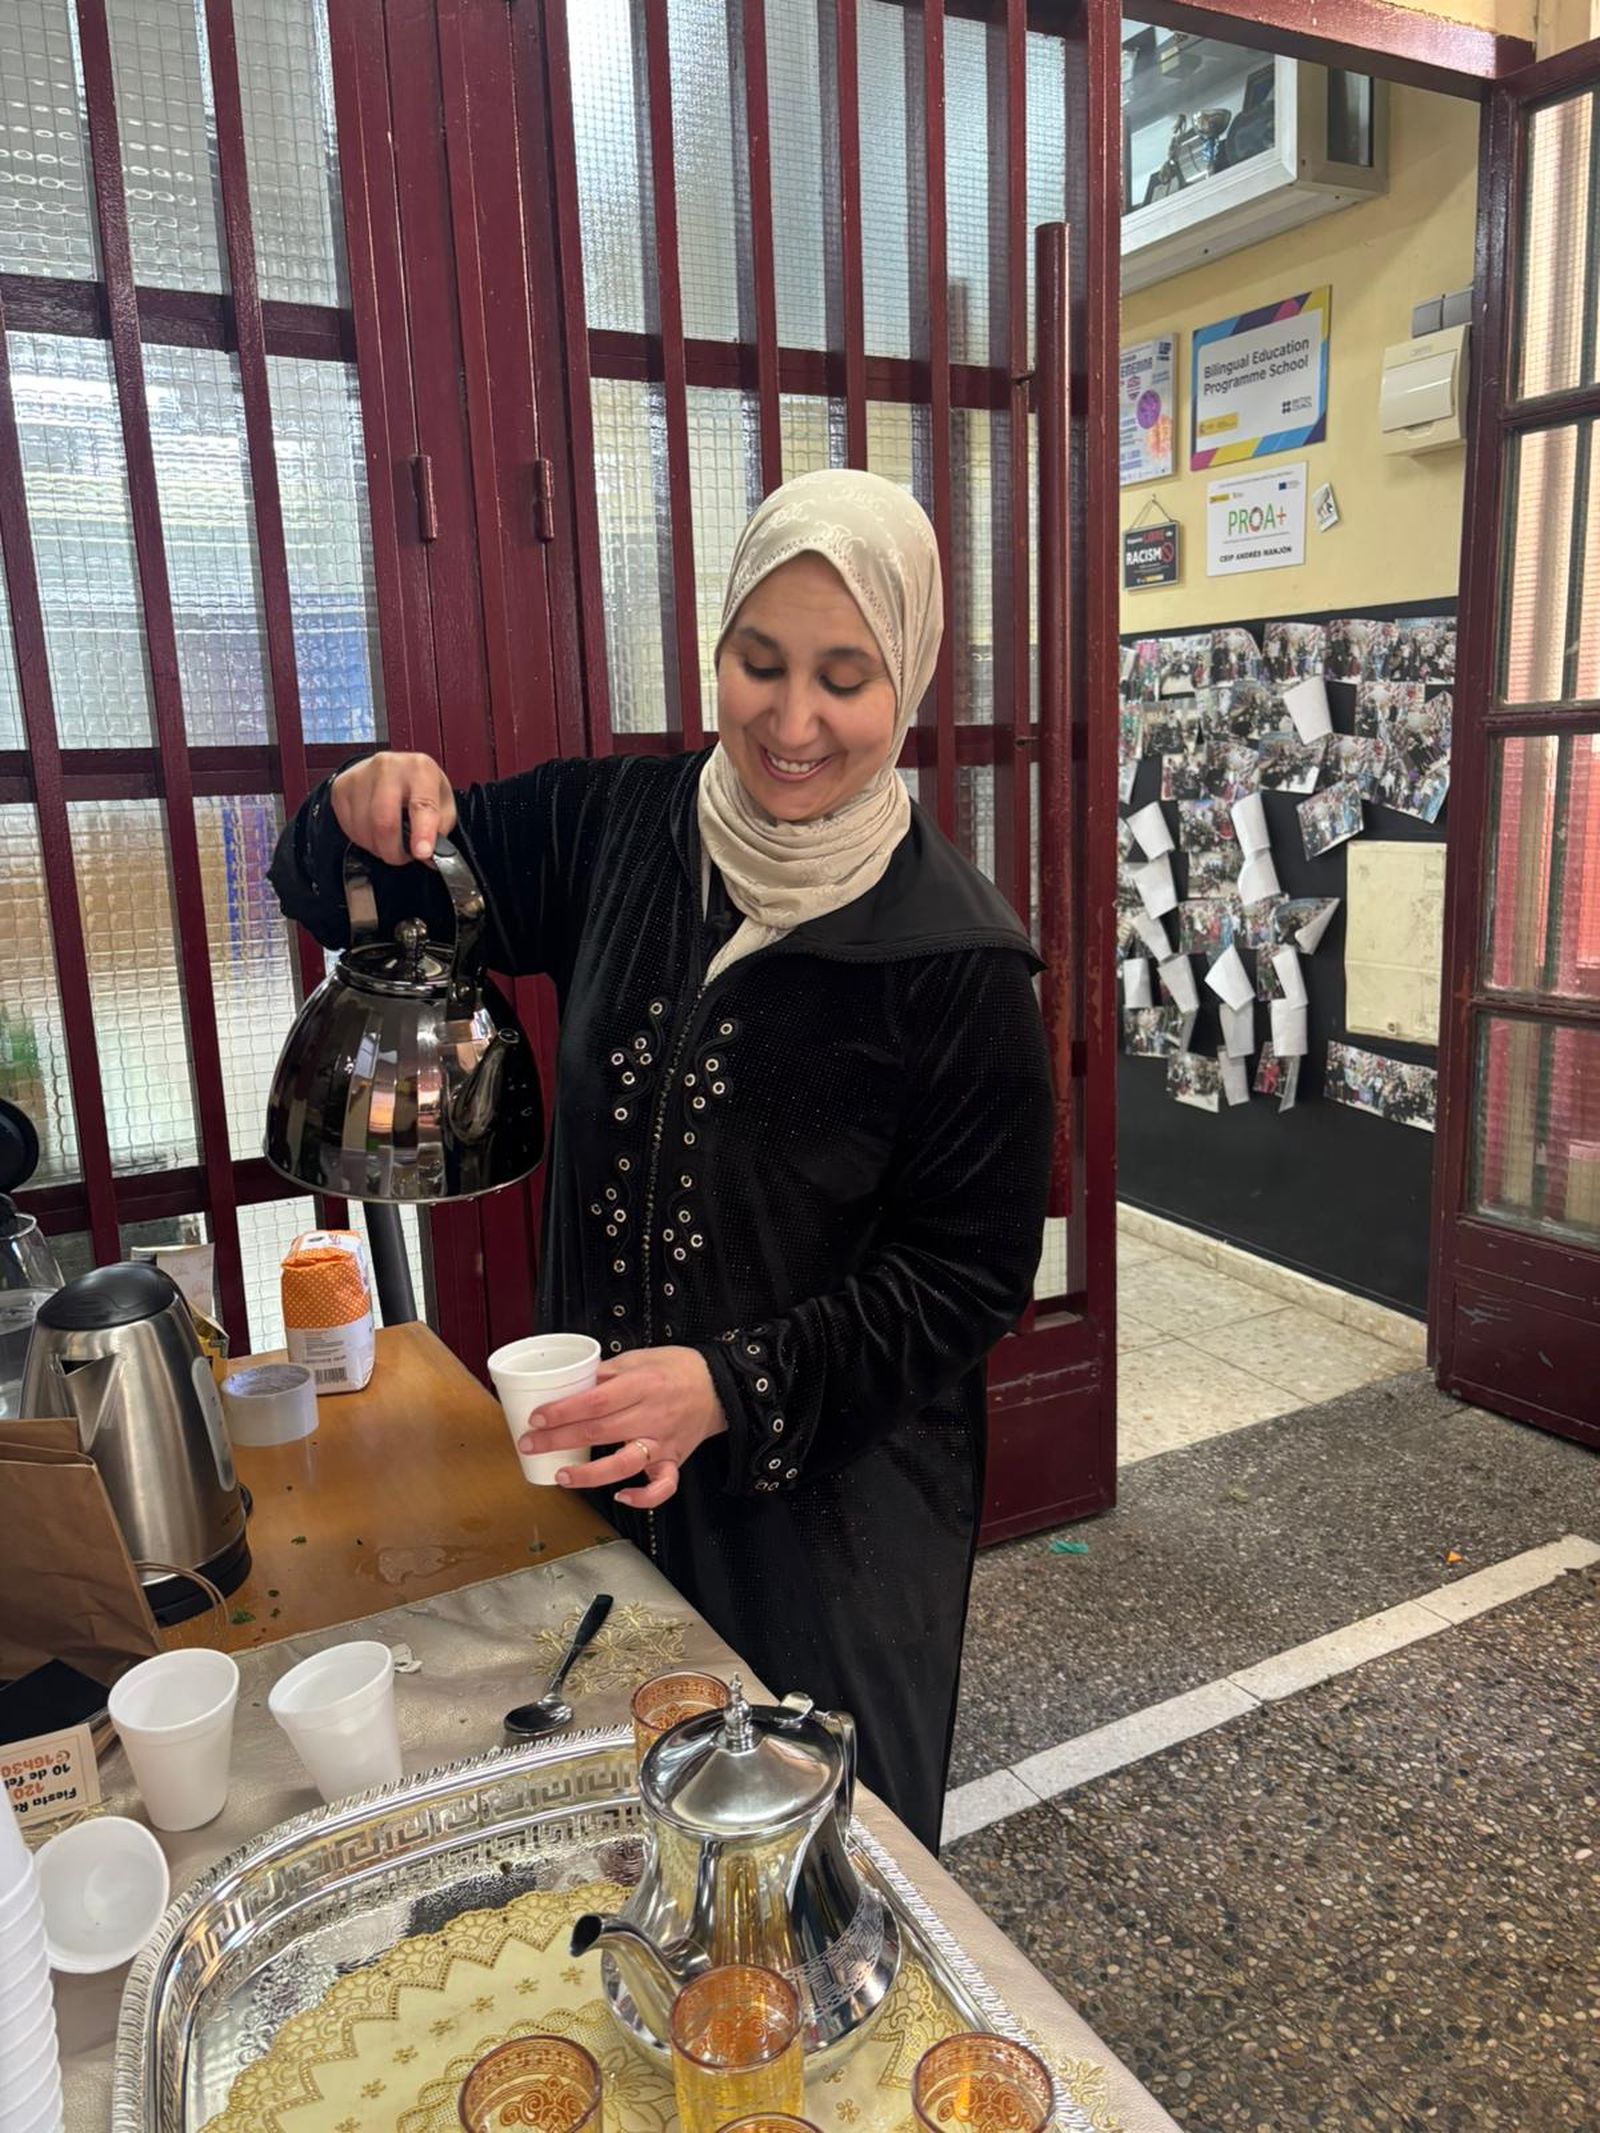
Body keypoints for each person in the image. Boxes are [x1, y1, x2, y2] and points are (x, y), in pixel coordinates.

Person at [270, 470, 1054, 1849]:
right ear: (717, 652)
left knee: (803, 1882)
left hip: (825, 1532)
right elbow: (360, 892)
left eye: (844, 678)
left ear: (909, 680)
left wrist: (730, 1386)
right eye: (760, 662)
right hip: (599, 1489)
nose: (793, 720)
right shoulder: (613, 830)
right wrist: (357, 803)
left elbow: (970, 1275)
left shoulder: (959, 957)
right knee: (608, 1844)